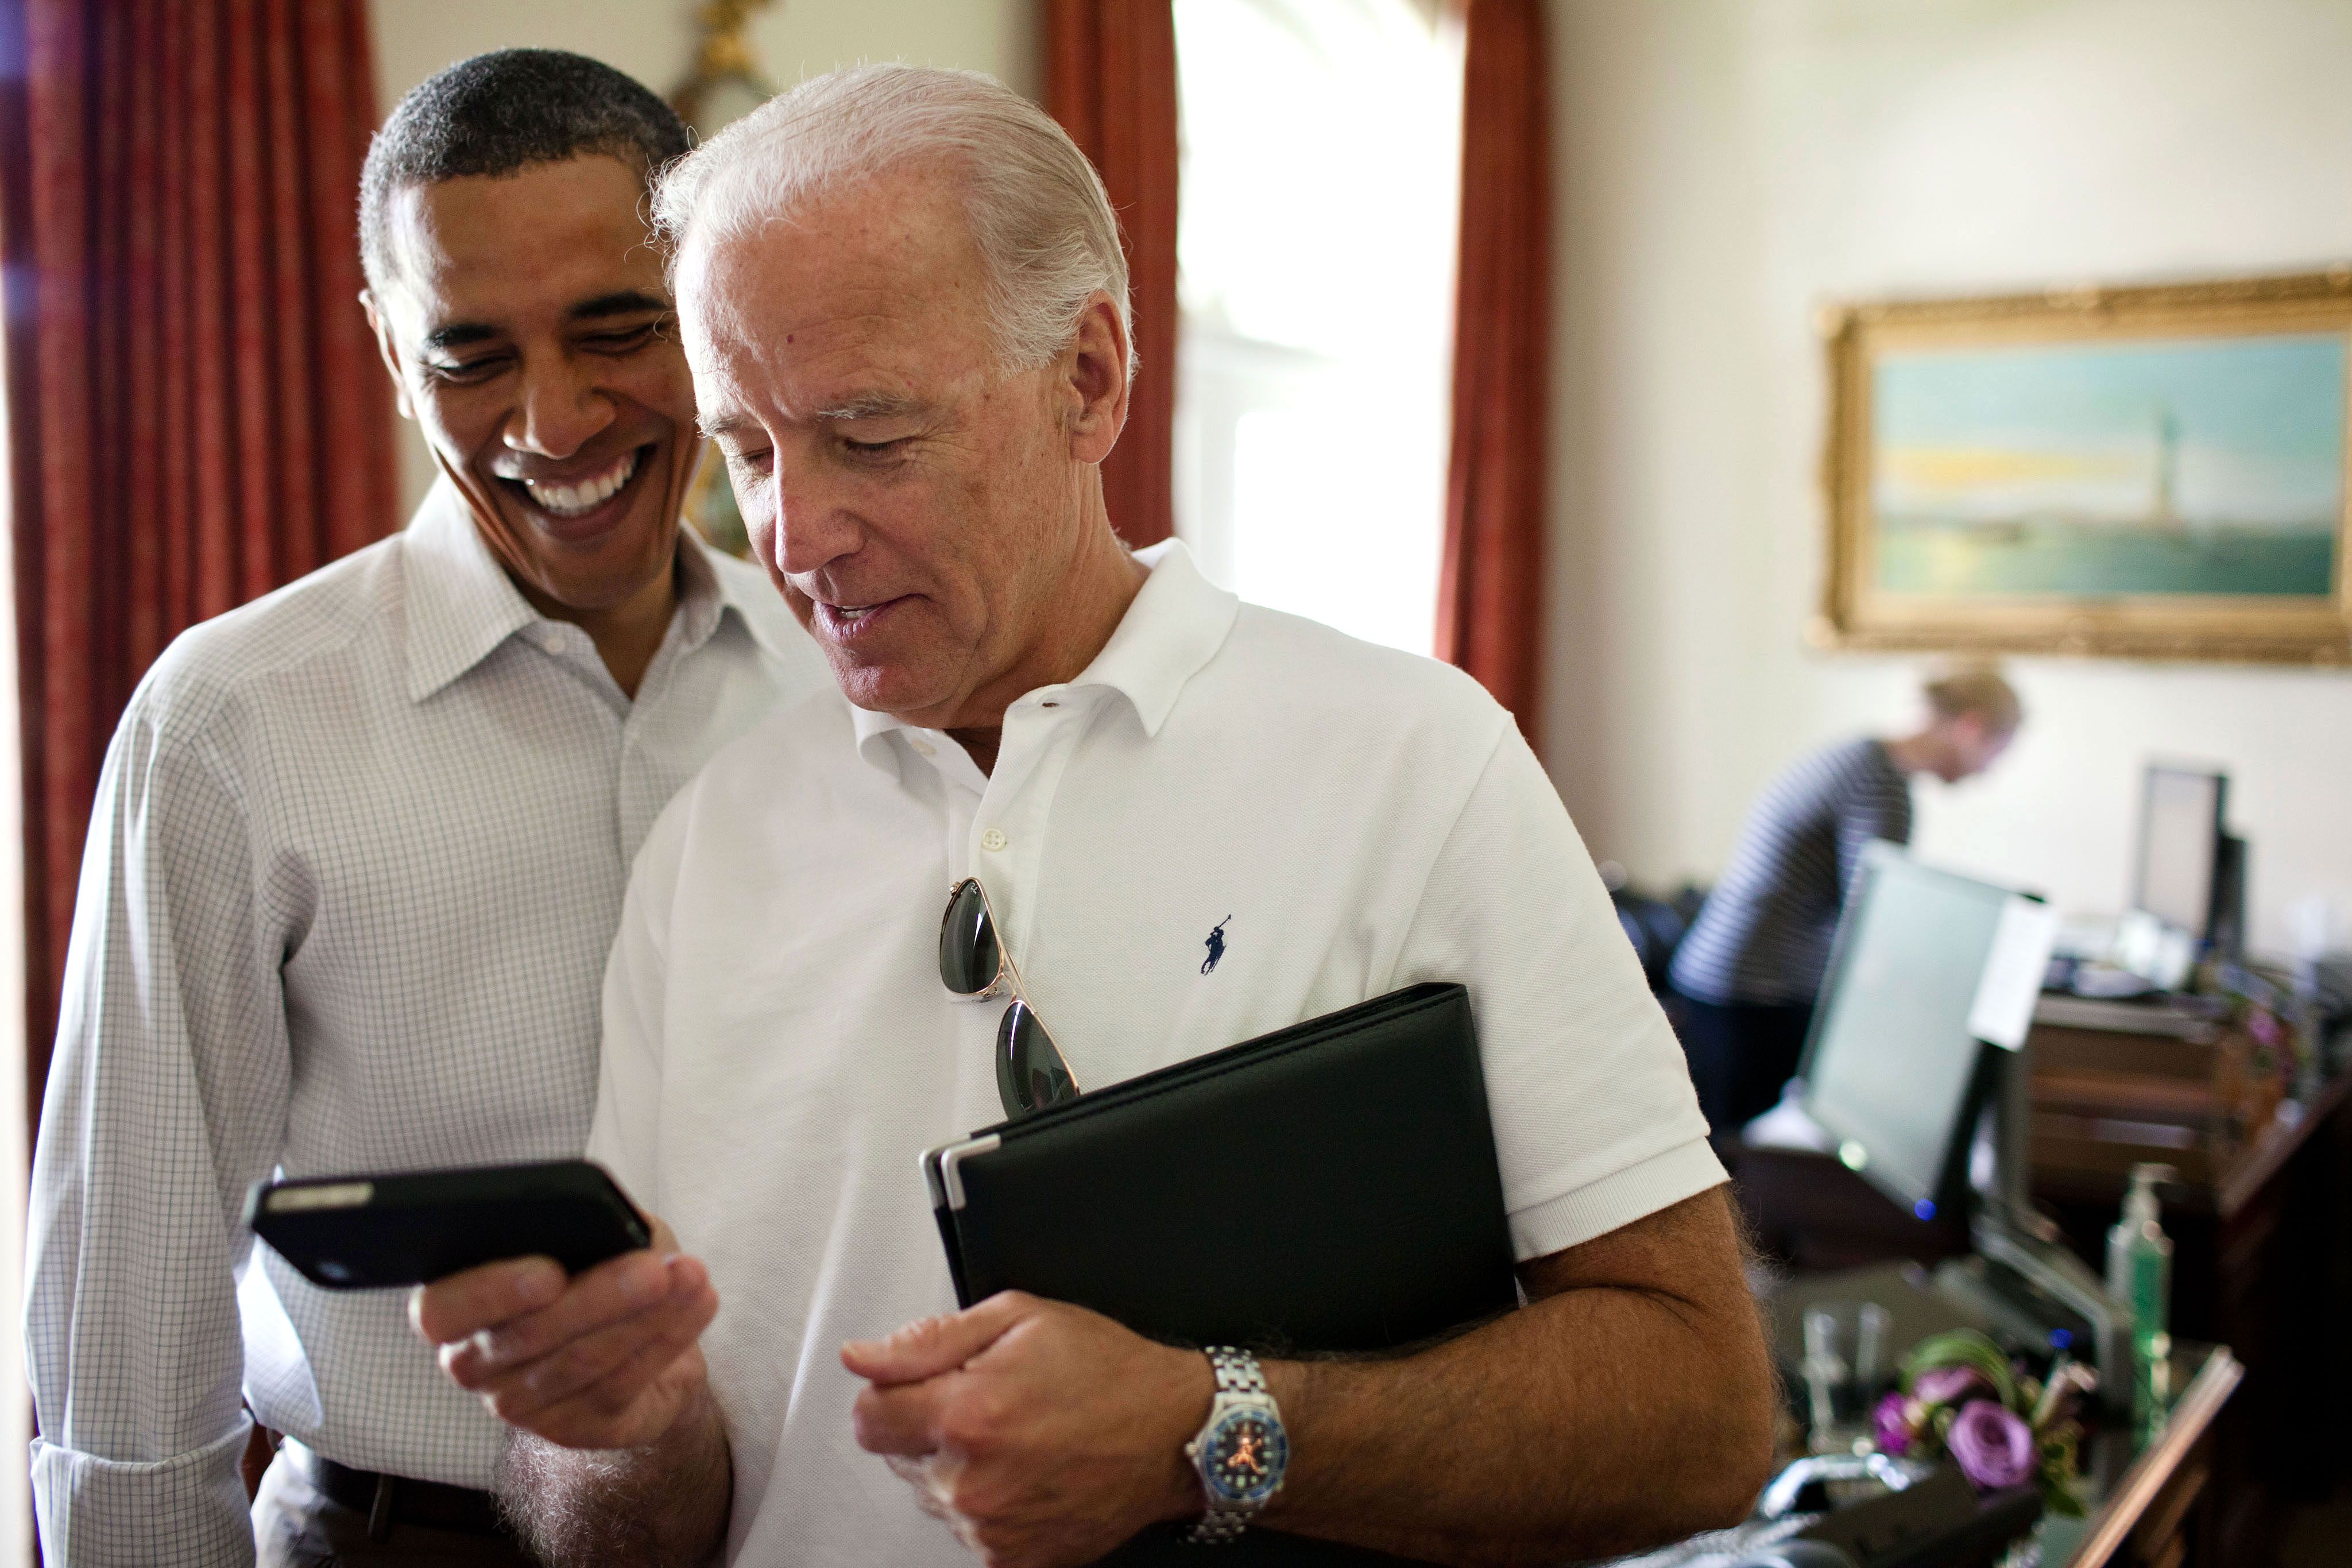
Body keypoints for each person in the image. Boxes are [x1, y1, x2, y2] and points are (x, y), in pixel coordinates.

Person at [412, 64, 1774, 1568]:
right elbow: (629, 1532)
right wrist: (617, 1428)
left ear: (1090, 378)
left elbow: (1705, 1417)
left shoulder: (1411, 761)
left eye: (868, 436)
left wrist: (1211, 1432)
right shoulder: (706, 851)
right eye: (748, 449)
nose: (795, 535)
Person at [24, 50, 826, 1568]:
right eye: (471, 355)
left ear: (712, 307)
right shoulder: (231, 725)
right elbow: (123, 1331)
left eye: (617, 330)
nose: (556, 418)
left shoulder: (841, 692)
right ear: (390, 351)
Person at [1667, 666, 2023, 1135]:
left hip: (1725, 978)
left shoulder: (1861, 758)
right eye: (1994, 754)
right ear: (1971, 727)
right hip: (1753, 992)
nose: (1987, 772)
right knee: (1738, 1161)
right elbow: (1878, 918)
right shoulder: (1880, 782)